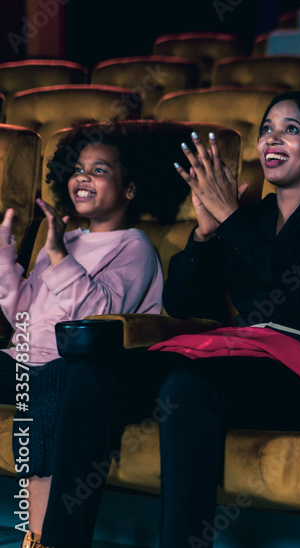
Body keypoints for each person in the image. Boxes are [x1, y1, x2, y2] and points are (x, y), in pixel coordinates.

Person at [38, 91, 300, 547]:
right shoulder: (250, 217)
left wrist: (231, 218)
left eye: (291, 129)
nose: (271, 139)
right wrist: (204, 233)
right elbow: (183, 303)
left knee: (186, 384)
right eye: (267, 129)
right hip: (230, 352)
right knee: (91, 372)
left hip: (298, 366)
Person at [3, 120, 190, 547]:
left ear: (129, 189)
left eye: (100, 170)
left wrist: (57, 256)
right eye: (78, 169)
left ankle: (39, 537)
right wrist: (5, 259)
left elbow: (101, 315)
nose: (83, 177)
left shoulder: (134, 246)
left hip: (67, 369)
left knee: (49, 385)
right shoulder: (62, 238)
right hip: (23, 360)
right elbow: (22, 316)